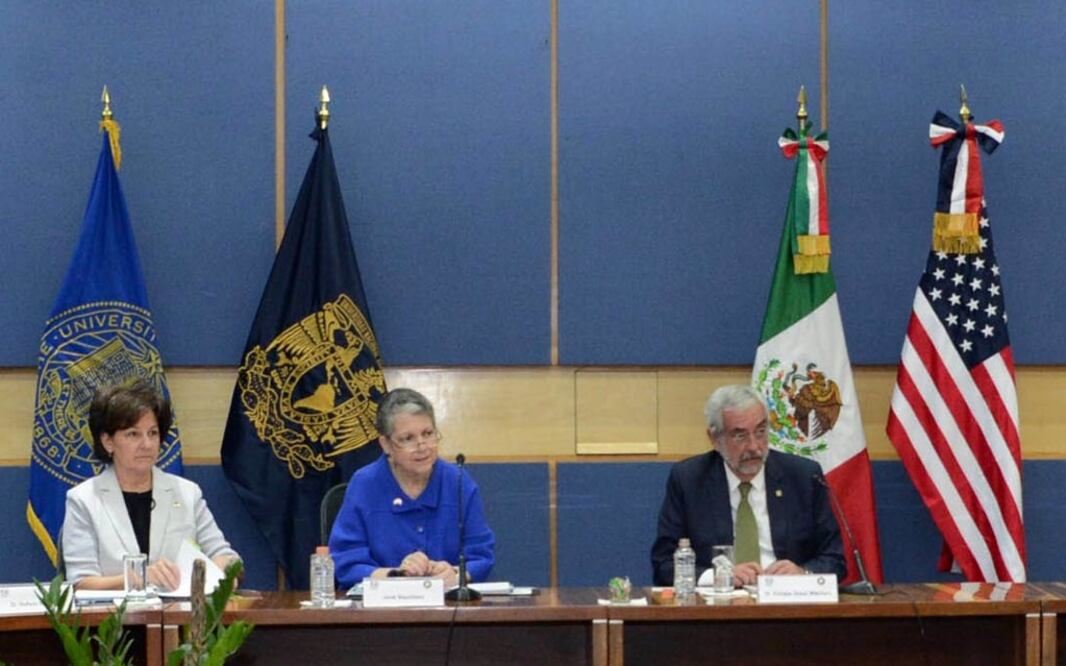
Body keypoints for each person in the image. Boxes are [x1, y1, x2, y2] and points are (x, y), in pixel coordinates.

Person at [651, 384, 844, 587]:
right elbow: (664, 565)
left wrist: (803, 573)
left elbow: (835, 559)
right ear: (714, 439)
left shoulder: (803, 477)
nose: (754, 446)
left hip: (788, 607)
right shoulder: (689, 480)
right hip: (719, 610)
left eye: (760, 432)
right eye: (740, 435)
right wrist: (717, 577)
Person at [62, 381, 240, 590]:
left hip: (181, 618)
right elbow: (80, 583)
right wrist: (141, 577)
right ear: (108, 442)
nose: (146, 444)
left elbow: (227, 557)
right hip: (114, 619)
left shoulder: (187, 493)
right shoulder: (84, 500)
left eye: (153, 433)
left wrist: (221, 571)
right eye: (133, 434)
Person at [329, 388, 495, 588]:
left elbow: (481, 556)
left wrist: (454, 573)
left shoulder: (458, 481)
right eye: (408, 438)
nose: (422, 446)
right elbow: (346, 563)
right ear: (386, 445)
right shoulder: (365, 484)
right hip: (380, 613)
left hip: (446, 610)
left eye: (428, 433)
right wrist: (398, 575)